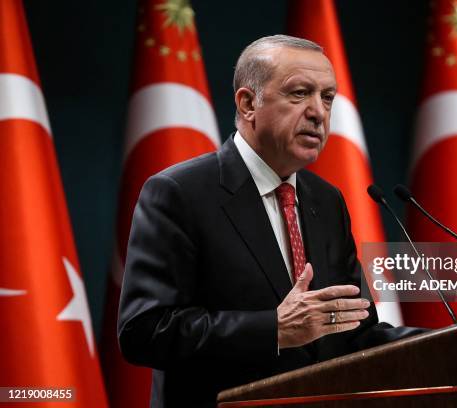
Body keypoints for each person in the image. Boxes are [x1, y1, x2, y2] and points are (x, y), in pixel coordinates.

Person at [118, 35, 422, 408]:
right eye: (299, 93)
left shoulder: (326, 201)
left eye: (327, 98)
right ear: (248, 104)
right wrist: (272, 330)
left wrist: (455, 343)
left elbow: (353, 332)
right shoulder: (179, 193)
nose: (318, 112)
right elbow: (145, 331)